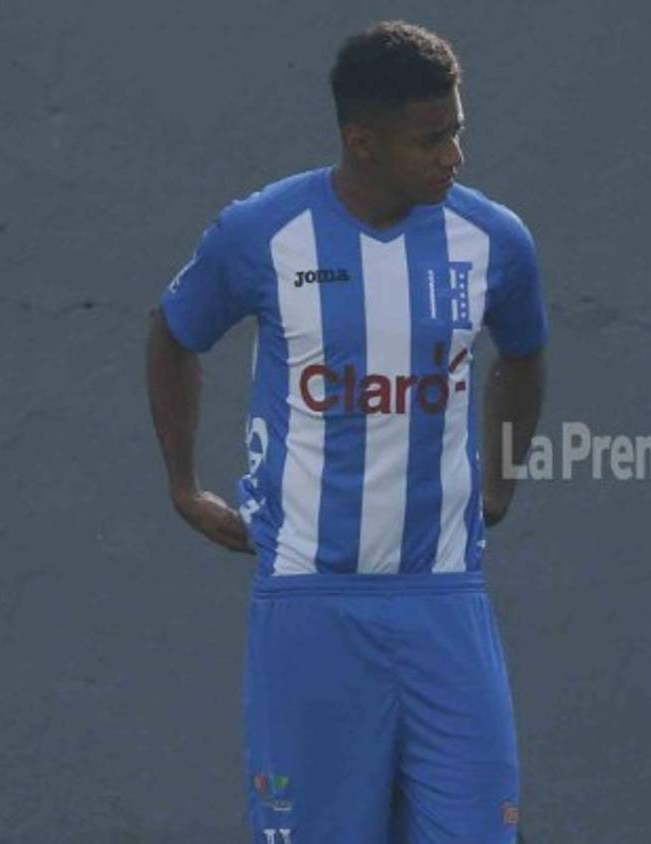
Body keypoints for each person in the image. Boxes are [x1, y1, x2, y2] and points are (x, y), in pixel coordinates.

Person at [145, 21, 546, 843]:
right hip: (310, 603)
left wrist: (500, 480)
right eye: (430, 139)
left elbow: (525, 353)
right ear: (361, 141)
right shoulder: (262, 233)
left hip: (445, 602)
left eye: (458, 129)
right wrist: (184, 486)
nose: (454, 156)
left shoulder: (494, 240)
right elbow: (174, 333)